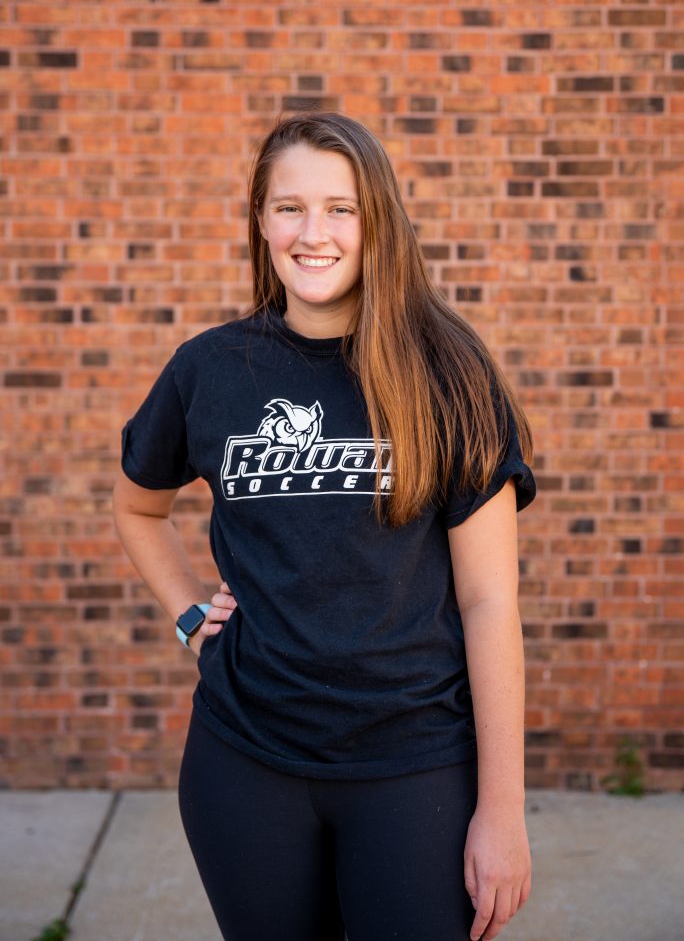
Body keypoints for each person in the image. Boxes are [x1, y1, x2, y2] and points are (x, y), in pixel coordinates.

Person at [113, 111, 536, 941]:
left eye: (341, 208)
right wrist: (192, 615)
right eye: (289, 207)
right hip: (244, 764)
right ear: (261, 221)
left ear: (376, 219)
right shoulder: (210, 369)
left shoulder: (450, 374)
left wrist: (503, 811)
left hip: (416, 768)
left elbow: (489, 602)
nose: (315, 233)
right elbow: (137, 505)